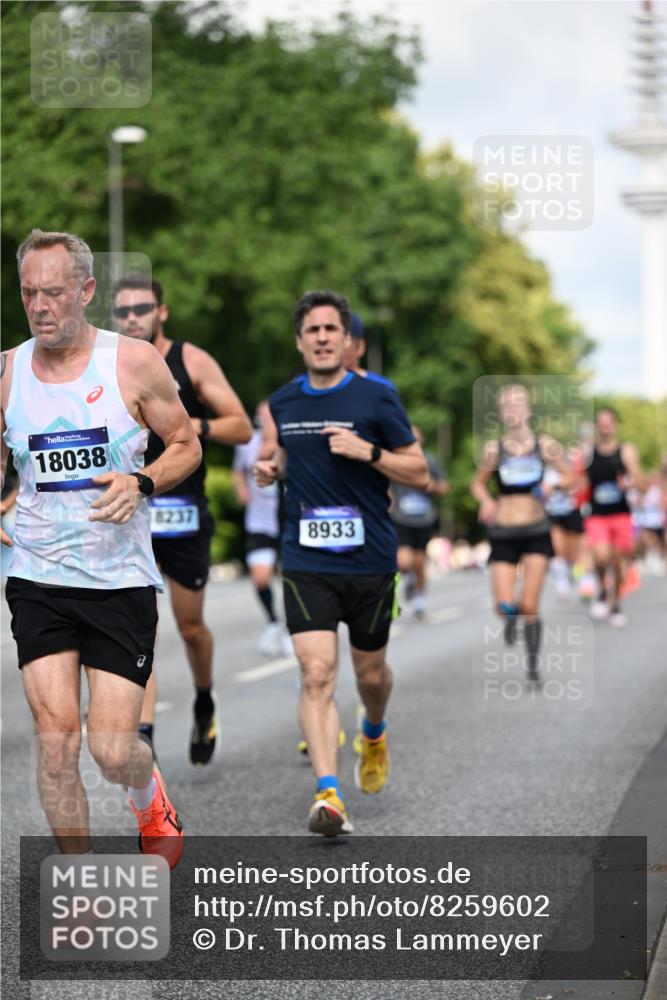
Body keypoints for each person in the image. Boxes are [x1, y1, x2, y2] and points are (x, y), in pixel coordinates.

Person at [1, 229, 202, 866]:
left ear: (86, 290)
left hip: (118, 578)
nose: (40, 306)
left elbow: (187, 446)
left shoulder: (132, 362)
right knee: (56, 741)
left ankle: (148, 796)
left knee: (112, 751)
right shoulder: (6, 372)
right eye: (28, 292)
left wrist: (141, 482)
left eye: (54, 292)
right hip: (38, 575)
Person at [254, 290, 428, 836]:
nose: (323, 338)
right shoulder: (284, 402)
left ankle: (373, 730)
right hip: (305, 558)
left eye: (332, 329)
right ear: (299, 341)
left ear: (347, 339)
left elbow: (419, 471)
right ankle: (328, 794)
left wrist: (368, 452)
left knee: (370, 674)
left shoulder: (377, 397)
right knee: (315, 673)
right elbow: (288, 458)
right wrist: (272, 470)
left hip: (370, 558)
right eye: (313, 330)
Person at [112, 273, 252, 764]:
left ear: (161, 312)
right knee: (141, 626)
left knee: (190, 627)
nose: (132, 318)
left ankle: (204, 698)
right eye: (123, 311)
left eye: (142, 308)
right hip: (133, 513)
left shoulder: (190, 360)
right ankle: (145, 732)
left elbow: (242, 426)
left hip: (186, 514)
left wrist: (198, 425)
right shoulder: (109, 365)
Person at [471, 383, 571, 683]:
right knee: (504, 606)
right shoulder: (494, 449)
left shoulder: (545, 445)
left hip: (536, 530)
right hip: (503, 532)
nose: (512, 409)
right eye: (507, 405)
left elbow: (571, 475)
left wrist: (554, 485)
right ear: (501, 413)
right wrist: (486, 501)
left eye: (518, 404)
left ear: (528, 410)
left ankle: (532, 665)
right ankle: (510, 617)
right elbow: (477, 484)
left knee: (530, 604)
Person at [232, 400, 292, 657]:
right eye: (261, 416)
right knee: (260, 577)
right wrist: (241, 489)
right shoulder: (247, 443)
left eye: (269, 416)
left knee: (291, 578)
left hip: (287, 520)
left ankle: (291, 630)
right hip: (259, 520)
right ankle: (273, 622)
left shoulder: (288, 442)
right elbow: (238, 471)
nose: (265, 420)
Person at [582, 407, 643, 626]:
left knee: (618, 562)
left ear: (615, 424)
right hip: (597, 514)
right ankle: (603, 590)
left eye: (609, 422)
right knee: (600, 556)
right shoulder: (588, 452)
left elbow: (640, 481)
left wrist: (629, 484)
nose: (605, 426)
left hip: (620, 514)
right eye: (601, 422)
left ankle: (616, 603)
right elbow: (579, 479)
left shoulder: (626, 451)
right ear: (597, 426)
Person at [390, 424, 449, 618]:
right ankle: (408, 580)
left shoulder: (430, 460)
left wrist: (430, 485)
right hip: (402, 518)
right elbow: (386, 483)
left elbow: (444, 487)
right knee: (403, 560)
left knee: (419, 563)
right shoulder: (396, 459)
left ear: (422, 440)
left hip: (424, 519)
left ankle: (419, 601)